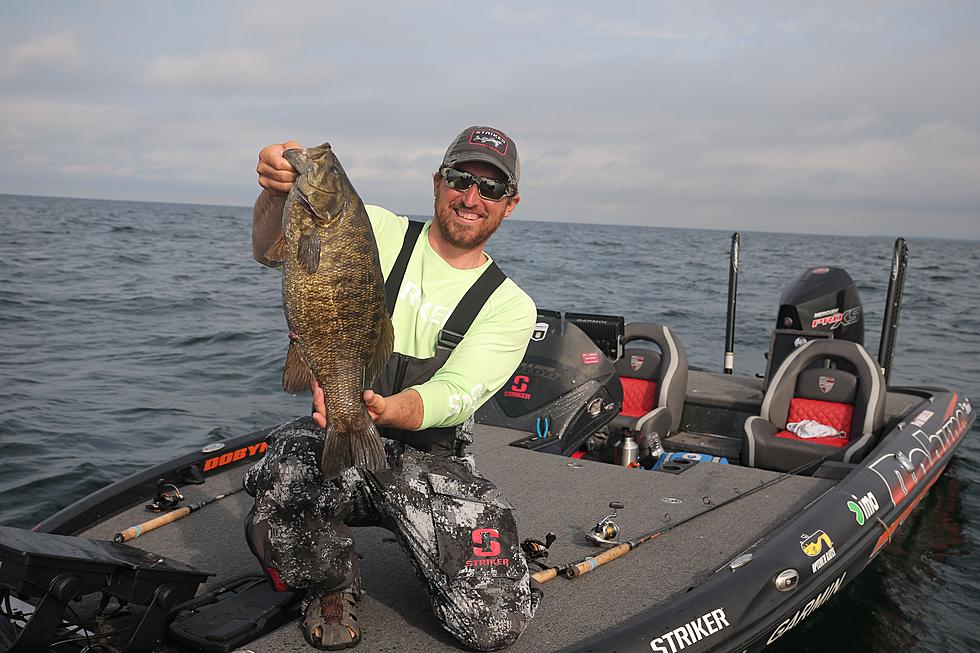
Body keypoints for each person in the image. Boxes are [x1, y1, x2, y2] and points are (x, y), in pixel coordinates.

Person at [244, 126, 541, 651]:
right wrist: (276, 187)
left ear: (509, 204)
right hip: (342, 417)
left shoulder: (510, 305)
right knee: (280, 479)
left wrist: (381, 410)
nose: (471, 198)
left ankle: (432, 550)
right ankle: (332, 582)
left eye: (490, 189)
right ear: (437, 182)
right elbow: (272, 251)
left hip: (429, 455)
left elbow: (456, 392)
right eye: (459, 179)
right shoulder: (373, 228)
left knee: (493, 626)